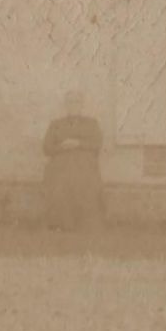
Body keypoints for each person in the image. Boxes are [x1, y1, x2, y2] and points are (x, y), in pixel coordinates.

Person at [41, 89, 105, 231]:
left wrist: (79, 144)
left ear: (82, 105)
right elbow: (46, 148)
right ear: (65, 105)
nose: (73, 105)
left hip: (84, 167)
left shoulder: (91, 123)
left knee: (85, 184)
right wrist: (62, 146)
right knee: (59, 185)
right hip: (61, 167)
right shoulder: (56, 124)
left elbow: (97, 144)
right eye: (70, 102)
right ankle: (61, 224)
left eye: (76, 102)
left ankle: (85, 224)